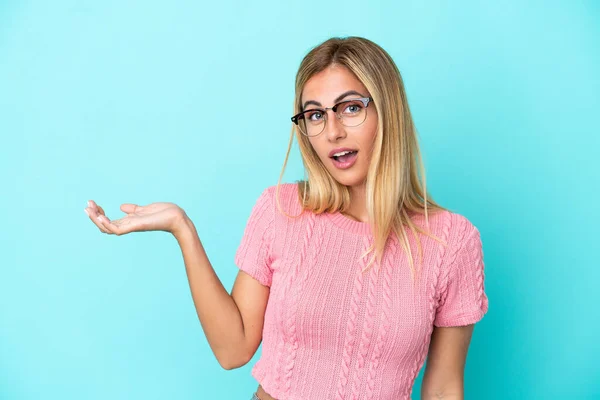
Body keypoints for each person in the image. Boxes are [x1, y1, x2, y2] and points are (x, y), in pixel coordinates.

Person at [84, 36, 489, 400]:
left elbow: (442, 389)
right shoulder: (281, 210)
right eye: (315, 115)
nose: (332, 131)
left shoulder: (451, 242)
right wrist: (183, 229)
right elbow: (233, 349)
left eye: (350, 108)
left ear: (388, 111)